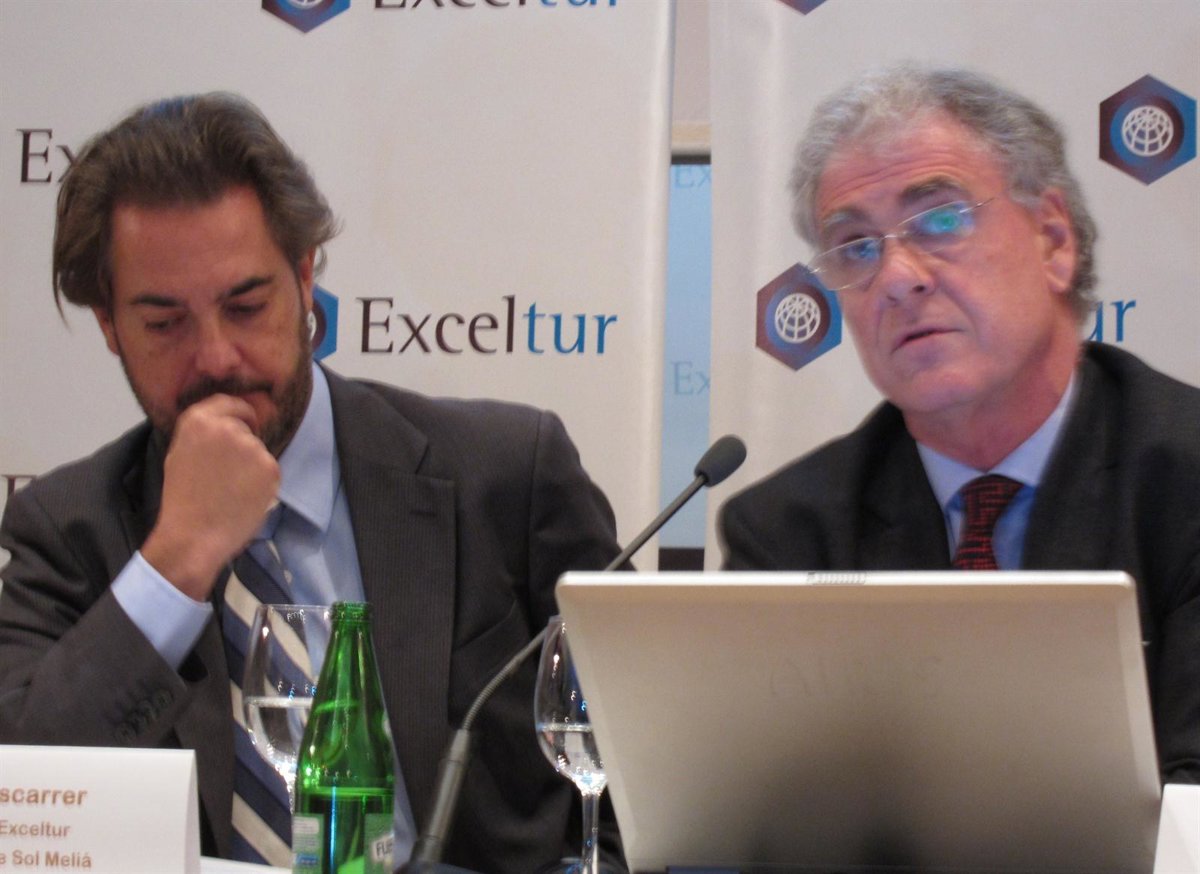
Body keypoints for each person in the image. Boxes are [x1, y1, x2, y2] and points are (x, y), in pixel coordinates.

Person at [0, 92, 626, 872]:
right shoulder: (68, 530)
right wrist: (176, 562)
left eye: (246, 305)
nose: (216, 357)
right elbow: (25, 805)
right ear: (109, 326)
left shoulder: (503, 475)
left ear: (303, 280)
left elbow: (654, 771)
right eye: (165, 324)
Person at [719, 64, 1200, 783]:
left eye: (940, 220)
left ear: (1053, 240)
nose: (898, 277)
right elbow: (768, 810)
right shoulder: (789, 535)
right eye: (856, 247)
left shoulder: (1184, 477)